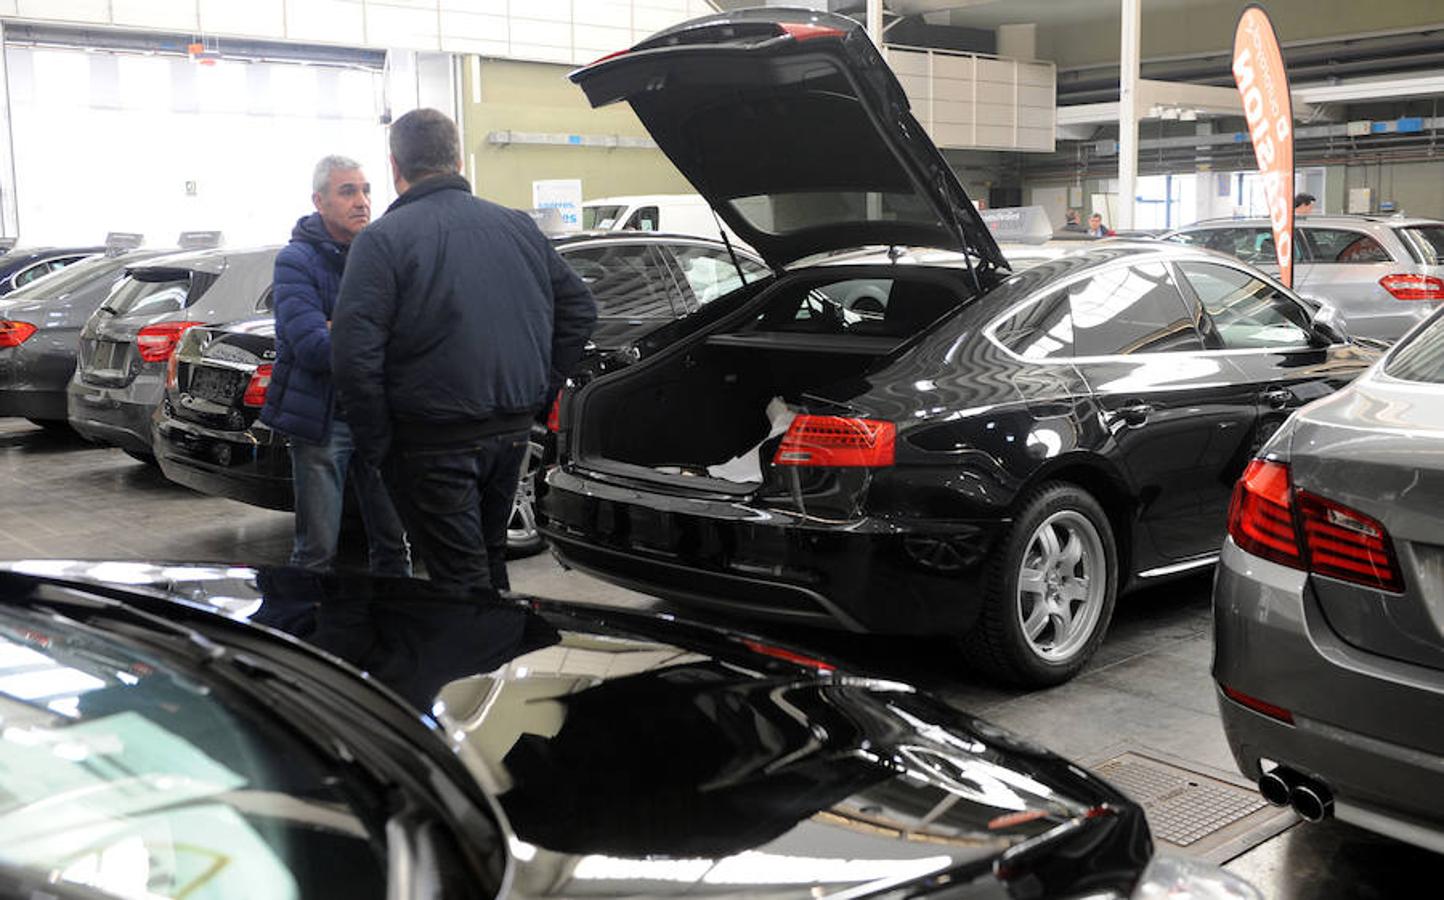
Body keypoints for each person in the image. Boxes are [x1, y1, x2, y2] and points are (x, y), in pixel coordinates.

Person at [332, 109, 597, 594]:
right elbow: (580, 309)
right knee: (487, 562)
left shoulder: (382, 241)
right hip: (510, 433)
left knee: (459, 580)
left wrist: (378, 445)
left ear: (395, 167)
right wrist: (538, 389)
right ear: (457, 158)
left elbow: (353, 355)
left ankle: (475, 659)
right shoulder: (516, 227)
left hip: (431, 441)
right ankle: (495, 657)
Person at [260, 156, 411, 577]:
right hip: (324, 420)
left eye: (366, 191)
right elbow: (312, 346)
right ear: (319, 201)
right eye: (348, 192)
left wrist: (342, 327)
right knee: (316, 554)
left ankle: (393, 635)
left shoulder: (381, 253)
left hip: (377, 418)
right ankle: (309, 633)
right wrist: (375, 335)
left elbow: (409, 333)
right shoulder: (296, 260)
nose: (362, 202)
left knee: (393, 547)